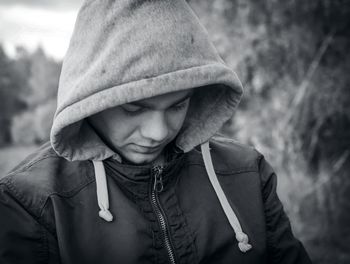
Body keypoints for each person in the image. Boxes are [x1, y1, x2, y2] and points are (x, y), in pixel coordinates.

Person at [0, 0, 312, 263]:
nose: (158, 132)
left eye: (178, 105)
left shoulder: (246, 172)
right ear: (89, 102)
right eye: (133, 109)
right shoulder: (30, 203)